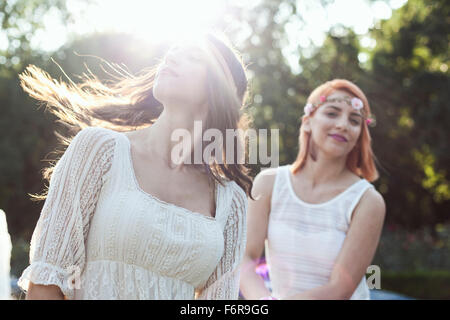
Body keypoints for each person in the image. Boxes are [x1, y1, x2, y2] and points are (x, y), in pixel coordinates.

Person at [17, 33, 252, 299]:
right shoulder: (99, 150)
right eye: (174, 48)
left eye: (193, 57)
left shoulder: (231, 201)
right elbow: (46, 284)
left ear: (222, 92)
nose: (172, 56)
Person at [240, 79, 386, 300]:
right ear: (307, 122)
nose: (343, 125)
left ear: (358, 136)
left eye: (354, 120)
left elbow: (340, 288)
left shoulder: (367, 201)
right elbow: (246, 258)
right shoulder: (268, 184)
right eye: (332, 113)